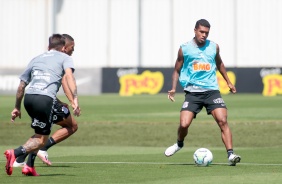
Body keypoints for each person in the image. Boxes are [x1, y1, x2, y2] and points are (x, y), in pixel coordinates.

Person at [164, 19, 241, 166]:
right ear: (195, 30)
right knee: (184, 124)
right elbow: (176, 70)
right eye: (201, 32)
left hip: (212, 91)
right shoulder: (184, 48)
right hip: (193, 92)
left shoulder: (214, 47)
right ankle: (179, 144)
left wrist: (228, 82)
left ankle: (231, 155)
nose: (204, 35)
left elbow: (220, 64)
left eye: (207, 33)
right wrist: (173, 88)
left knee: (223, 121)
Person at [4, 34, 81, 176]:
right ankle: (15, 153)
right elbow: (68, 78)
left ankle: (29, 166)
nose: (72, 51)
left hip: (29, 98)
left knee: (40, 134)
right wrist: (74, 99)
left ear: (48, 47)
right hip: (45, 100)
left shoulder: (36, 58)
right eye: (72, 48)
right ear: (64, 47)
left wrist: (17, 107)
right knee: (41, 139)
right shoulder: (65, 58)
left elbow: (21, 86)